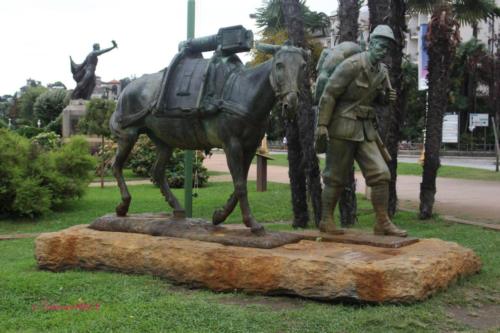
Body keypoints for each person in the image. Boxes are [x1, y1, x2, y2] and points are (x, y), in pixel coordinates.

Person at [315, 25, 407, 237]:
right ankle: (326, 220)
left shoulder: (382, 72)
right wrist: (322, 125)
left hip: (365, 129)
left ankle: (382, 222)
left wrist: (386, 98)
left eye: (386, 48)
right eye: (380, 45)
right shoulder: (352, 65)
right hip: (342, 127)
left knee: (381, 173)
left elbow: (377, 99)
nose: (383, 50)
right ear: (371, 43)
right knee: (335, 176)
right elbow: (329, 94)